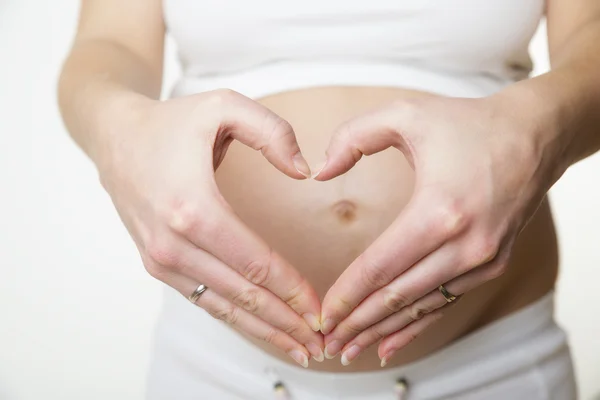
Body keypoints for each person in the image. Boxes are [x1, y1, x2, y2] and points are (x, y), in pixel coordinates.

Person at [58, 0, 600, 399]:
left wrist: (536, 128)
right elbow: (110, 43)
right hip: (214, 370)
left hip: (494, 368)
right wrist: (118, 129)